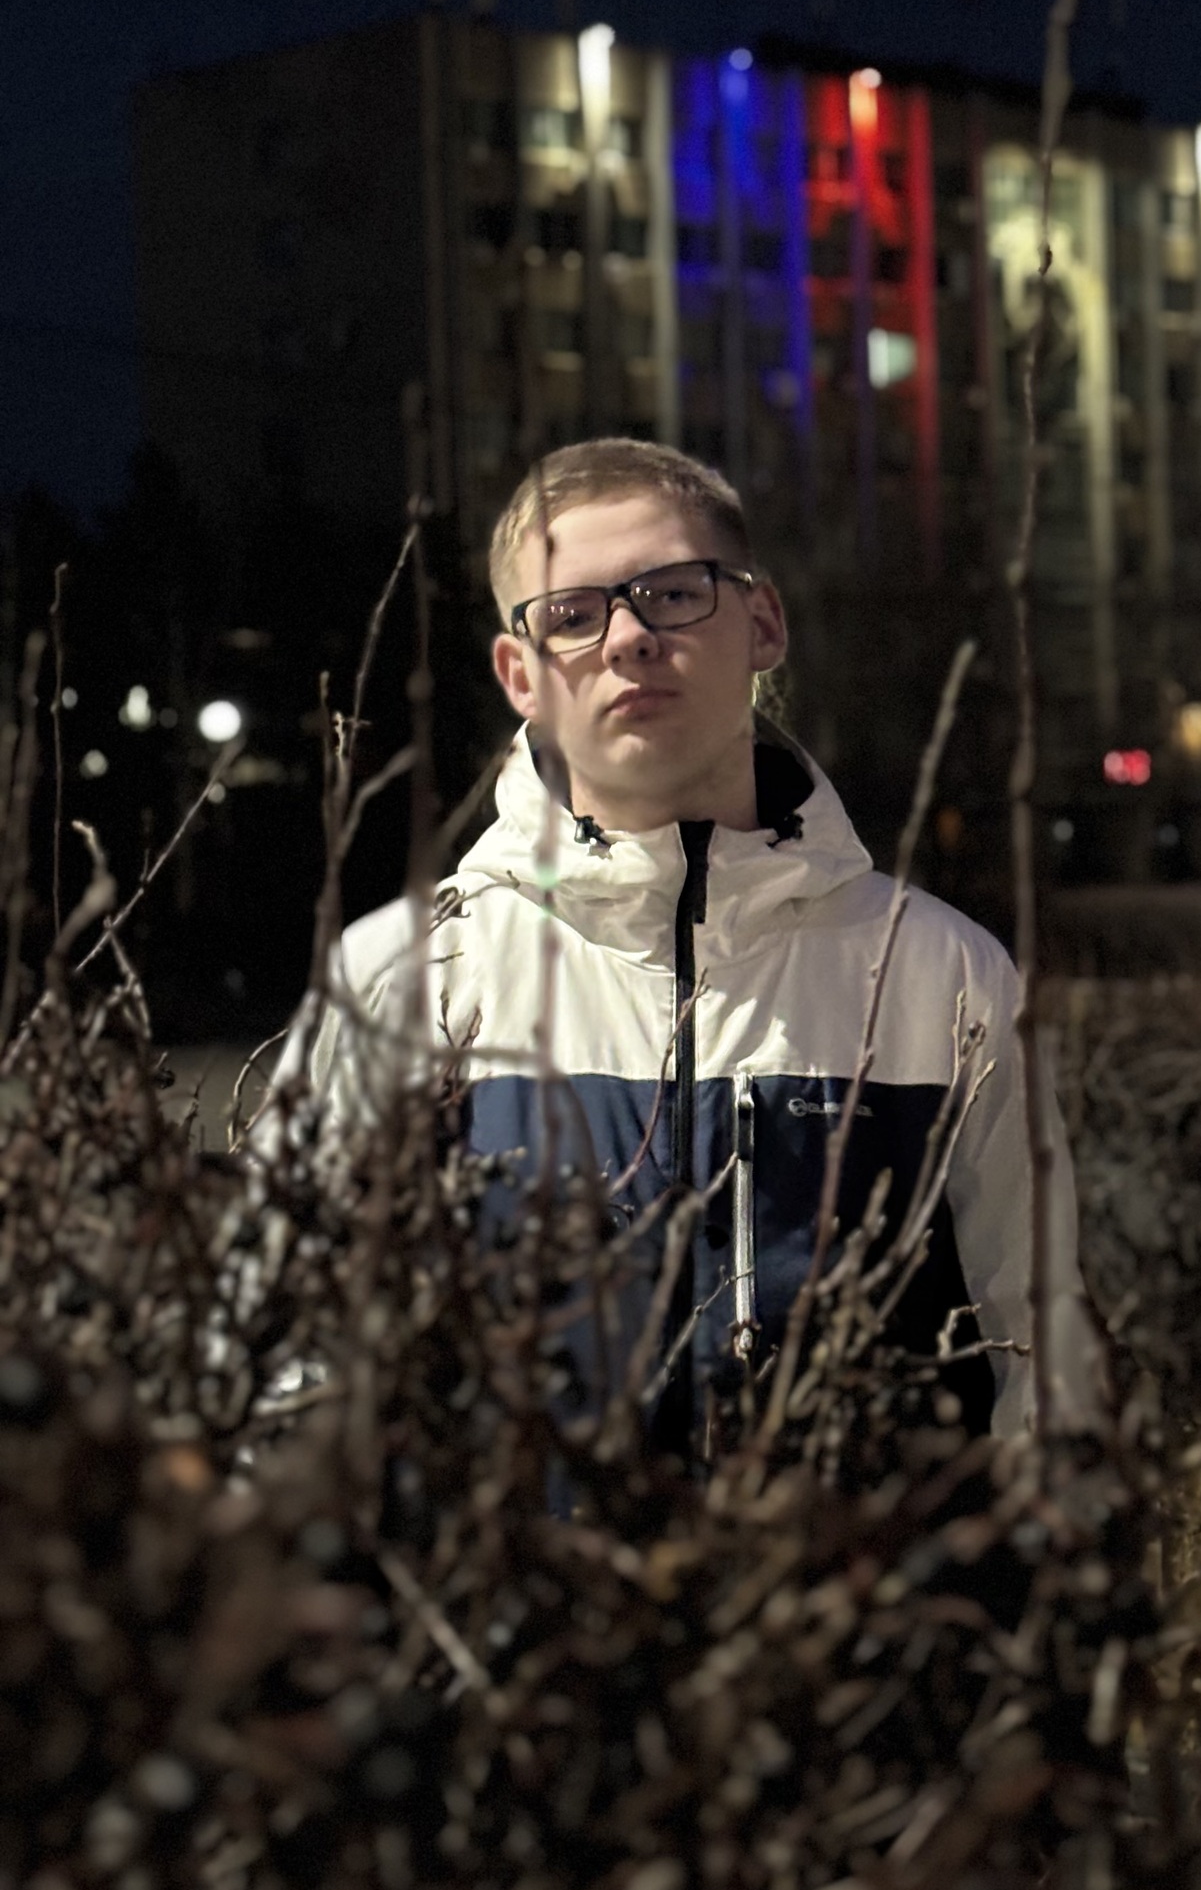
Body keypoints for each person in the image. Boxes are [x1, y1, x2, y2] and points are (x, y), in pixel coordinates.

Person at [300, 436, 1100, 1451]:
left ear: (762, 621)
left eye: (673, 593)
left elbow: (1041, 1349)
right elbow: (305, 1364)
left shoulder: (941, 973)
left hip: (862, 1557)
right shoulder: (408, 976)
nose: (628, 637)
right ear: (518, 673)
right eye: (571, 614)